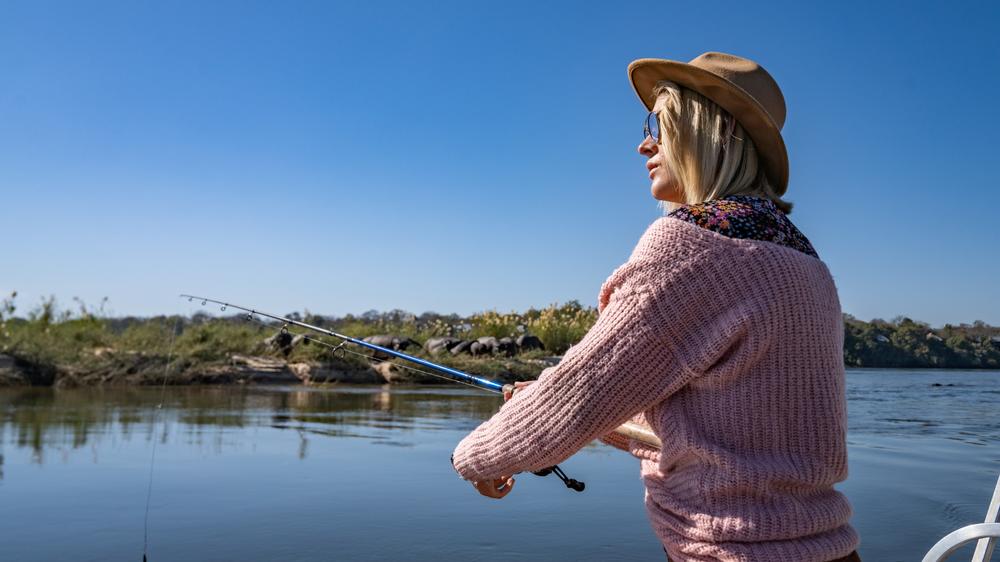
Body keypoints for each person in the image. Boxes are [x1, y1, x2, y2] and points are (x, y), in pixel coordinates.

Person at [450, 52, 861, 562]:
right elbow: (729, 439)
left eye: (659, 128)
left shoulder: (692, 247)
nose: (643, 143)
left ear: (711, 135)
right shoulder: (804, 261)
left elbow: (575, 398)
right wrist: (556, 409)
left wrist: (474, 456)